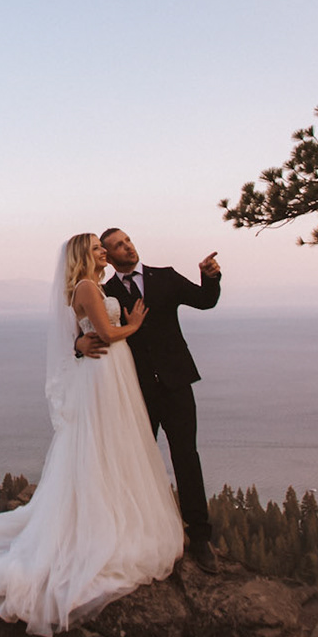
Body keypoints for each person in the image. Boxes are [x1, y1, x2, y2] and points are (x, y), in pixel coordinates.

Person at [0, 233, 184, 636]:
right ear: (82, 255)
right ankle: (104, 522)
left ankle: (114, 510)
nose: (103, 250)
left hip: (108, 369)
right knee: (107, 440)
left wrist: (81, 339)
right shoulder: (88, 287)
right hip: (106, 368)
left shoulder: (90, 286)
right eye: (96, 246)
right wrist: (134, 324)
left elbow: (79, 331)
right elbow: (106, 334)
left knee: (112, 441)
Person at [76, 229, 223, 572]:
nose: (128, 247)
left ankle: (199, 538)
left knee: (186, 456)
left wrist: (210, 277)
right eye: (117, 246)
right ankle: (133, 530)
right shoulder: (104, 291)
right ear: (108, 257)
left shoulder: (166, 277)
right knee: (135, 459)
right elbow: (81, 330)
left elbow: (205, 300)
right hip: (134, 390)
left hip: (176, 383)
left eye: (128, 241)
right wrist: (78, 345)